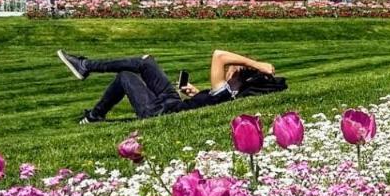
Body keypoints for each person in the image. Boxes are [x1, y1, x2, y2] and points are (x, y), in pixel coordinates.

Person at [56, 49, 276, 124]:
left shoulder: (228, 91)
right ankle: (85, 65)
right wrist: (198, 93)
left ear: (237, 72)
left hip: (159, 112)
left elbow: (219, 55)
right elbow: (210, 103)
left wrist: (257, 65)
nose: (226, 68)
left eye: (231, 67)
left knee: (126, 76)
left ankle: (95, 116)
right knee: (145, 61)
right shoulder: (226, 95)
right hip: (172, 103)